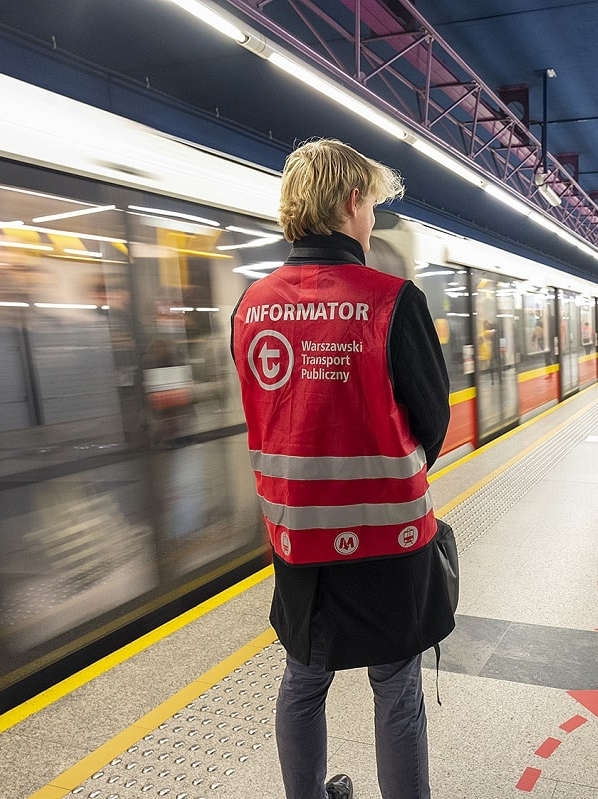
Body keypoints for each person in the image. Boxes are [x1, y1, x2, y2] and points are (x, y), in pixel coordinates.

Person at [231, 138, 455, 799]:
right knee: (396, 688)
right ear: (352, 201)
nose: (372, 220)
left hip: (301, 544)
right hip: (391, 540)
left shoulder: (252, 306)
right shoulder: (392, 300)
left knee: (303, 680)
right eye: (372, 206)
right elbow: (433, 419)